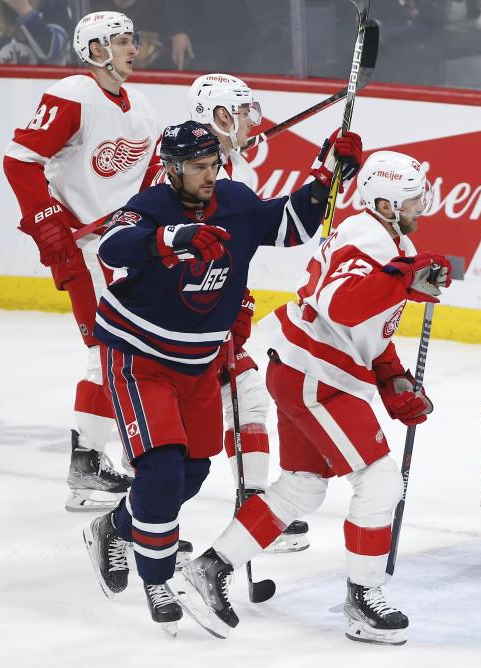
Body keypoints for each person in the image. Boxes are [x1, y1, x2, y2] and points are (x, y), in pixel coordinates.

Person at [80, 120, 363, 630]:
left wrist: (327, 175)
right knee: (162, 469)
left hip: (201, 364)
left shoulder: (234, 201)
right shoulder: (150, 207)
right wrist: (174, 237)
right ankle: (158, 578)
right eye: (196, 167)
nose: (208, 176)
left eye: (213, 165)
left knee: (190, 474)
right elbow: (113, 246)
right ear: (171, 169)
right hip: (139, 357)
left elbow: (289, 225)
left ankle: (114, 527)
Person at [177, 151, 452, 646]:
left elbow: (371, 329)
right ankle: (363, 598)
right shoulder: (365, 237)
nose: (422, 203)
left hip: (310, 371)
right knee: (379, 479)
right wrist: (402, 280)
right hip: (315, 376)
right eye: (412, 196)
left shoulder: (390, 238)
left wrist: (393, 380)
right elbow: (342, 306)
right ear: (385, 201)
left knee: (303, 485)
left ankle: (208, 569)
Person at [2, 11, 160, 512]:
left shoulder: (144, 111)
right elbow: (20, 160)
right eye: (119, 41)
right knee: (106, 351)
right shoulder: (72, 93)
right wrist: (48, 222)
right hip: (82, 245)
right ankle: (88, 460)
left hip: (118, 248)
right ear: (93, 49)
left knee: (126, 350)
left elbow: (150, 174)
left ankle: (90, 468)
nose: (132, 48)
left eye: (132, 39)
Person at [185, 72, 309, 552]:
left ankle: (252, 509)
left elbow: (272, 231)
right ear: (219, 116)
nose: (251, 123)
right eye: (241, 112)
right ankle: (140, 524)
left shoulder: (217, 169)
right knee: (174, 427)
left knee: (248, 399)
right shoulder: (195, 175)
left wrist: (327, 174)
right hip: (176, 324)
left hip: (202, 316)